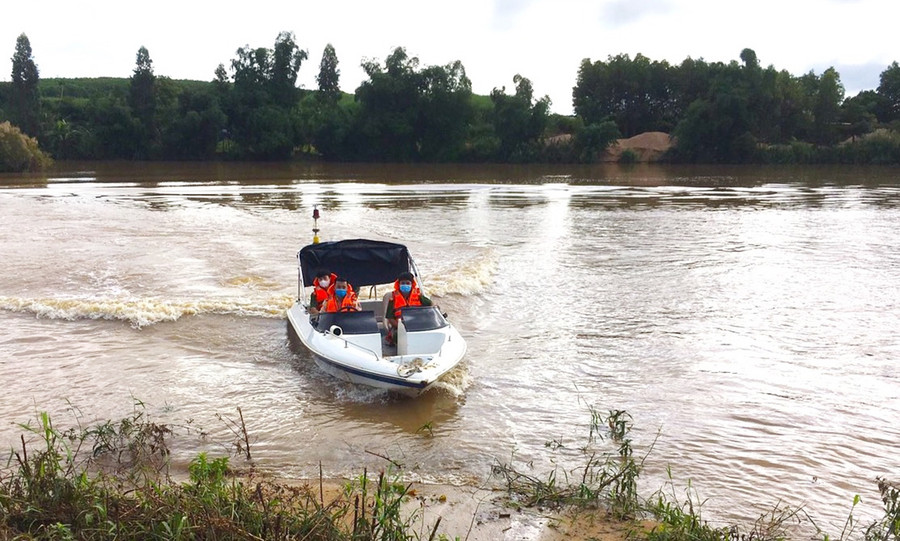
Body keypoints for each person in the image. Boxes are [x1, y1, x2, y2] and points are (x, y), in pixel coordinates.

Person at [385, 271, 432, 344]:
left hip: (417, 325)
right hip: (399, 327)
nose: (405, 285)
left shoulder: (419, 296)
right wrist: (401, 328)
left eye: (407, 283)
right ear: (399, 284)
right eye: (403, 283)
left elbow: (431, 305)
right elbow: (390, 318)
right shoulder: (393, 298)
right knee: (398, 336)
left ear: (412, 284)